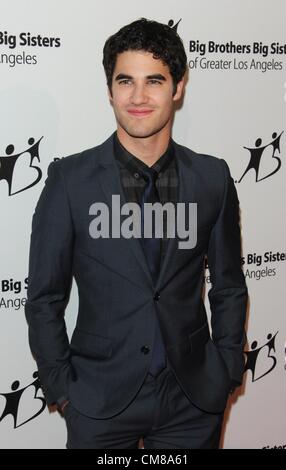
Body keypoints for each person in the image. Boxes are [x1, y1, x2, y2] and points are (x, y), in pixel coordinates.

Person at [25, 18, 248, 449]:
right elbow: (44, 297)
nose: (139, 97)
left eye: (155, 81)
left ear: (178, 87)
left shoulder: (212, 178)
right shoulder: (70, 181)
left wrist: (226, 370)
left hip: (192, 400)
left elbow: (229, 286)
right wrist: (63, 389)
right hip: (97, 399)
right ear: (109, 89)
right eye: (125, 80)